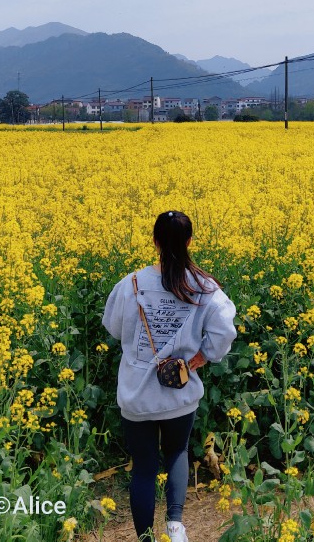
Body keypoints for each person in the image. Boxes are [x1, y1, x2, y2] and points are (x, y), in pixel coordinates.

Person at [103, 210, 237, 542]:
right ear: (190, 241)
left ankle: (146, 538)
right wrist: (202, 357)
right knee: (178, 452)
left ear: (155, 241)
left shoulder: (132, 284)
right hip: (179, 391)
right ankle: (175, 525)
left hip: (138, 394)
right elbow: (224, 331)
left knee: (145, 467)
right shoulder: (205, 288)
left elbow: (114, 328)